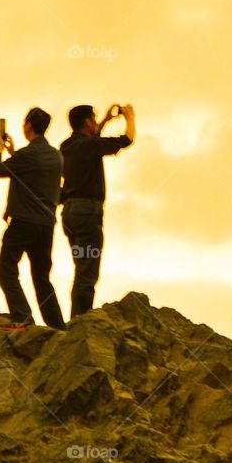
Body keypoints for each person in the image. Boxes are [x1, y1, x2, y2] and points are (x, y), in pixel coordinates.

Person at [0, 107, 66, 330]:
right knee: (42, 279)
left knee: (6, 270)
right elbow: (34, 174)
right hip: (46, 225)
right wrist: (15, 153)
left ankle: (22, 317)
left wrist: (0, 149)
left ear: (28, 126)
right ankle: (57, 327)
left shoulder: (27, 155)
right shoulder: (56, 155)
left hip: (23, 222)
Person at [60, 103, 135, 318]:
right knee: (87, 271)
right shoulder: (91, 146)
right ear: (86, 121)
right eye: (93, 118)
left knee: (81, 266)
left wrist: (104, 121)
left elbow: (92, 141)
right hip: (87, 213)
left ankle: (77, 317)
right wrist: (130, 117)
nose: (95, 122)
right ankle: (80, 321)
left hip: (70, 213)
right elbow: (127, 139)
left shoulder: (65, 146)